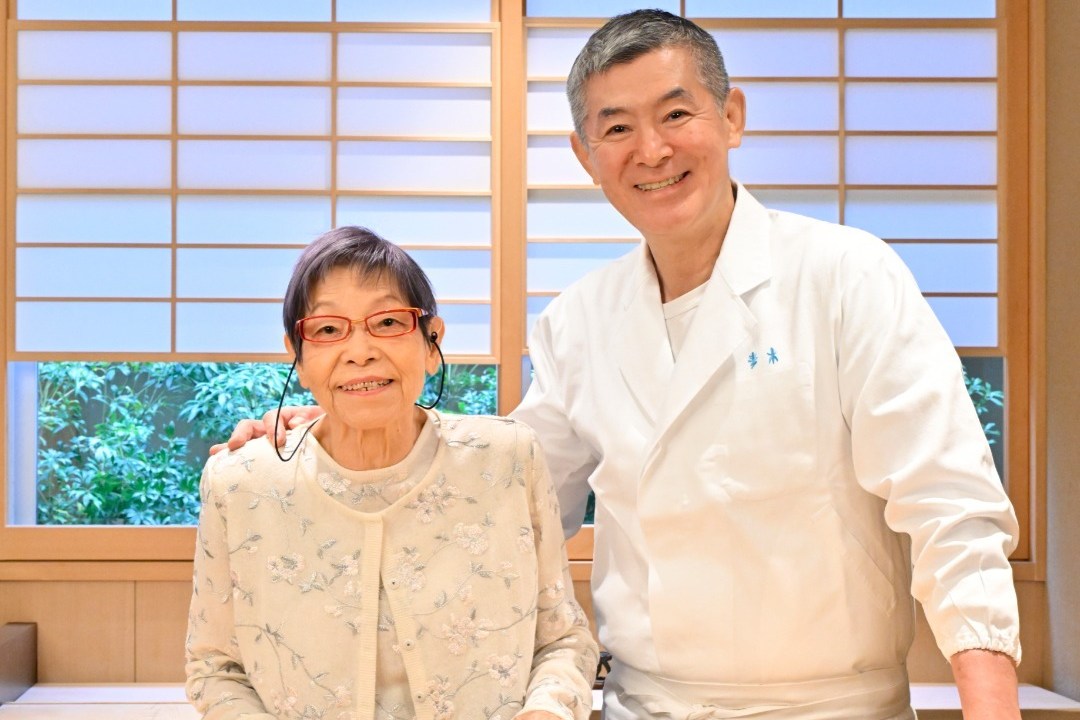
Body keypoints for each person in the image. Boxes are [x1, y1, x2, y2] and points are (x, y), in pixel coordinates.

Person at [217, 11, 1023, 719]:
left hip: (828, 704)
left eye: (677, 114)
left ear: (731, 116)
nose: (653, 150)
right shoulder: (580, 320)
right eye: (618, 128)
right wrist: (335, 436)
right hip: (644, 701)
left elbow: (949, 507)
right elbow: (500, 494)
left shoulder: (845, 275)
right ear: (584, 152)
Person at [187, 226, 598, 720]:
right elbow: (216, 668)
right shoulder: (240, 484)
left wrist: (547, 712)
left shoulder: (507, 457)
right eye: (328, 329)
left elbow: (562, 640)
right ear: (298, 356)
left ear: (432, 342)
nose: (359, 350)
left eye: (386, 322)